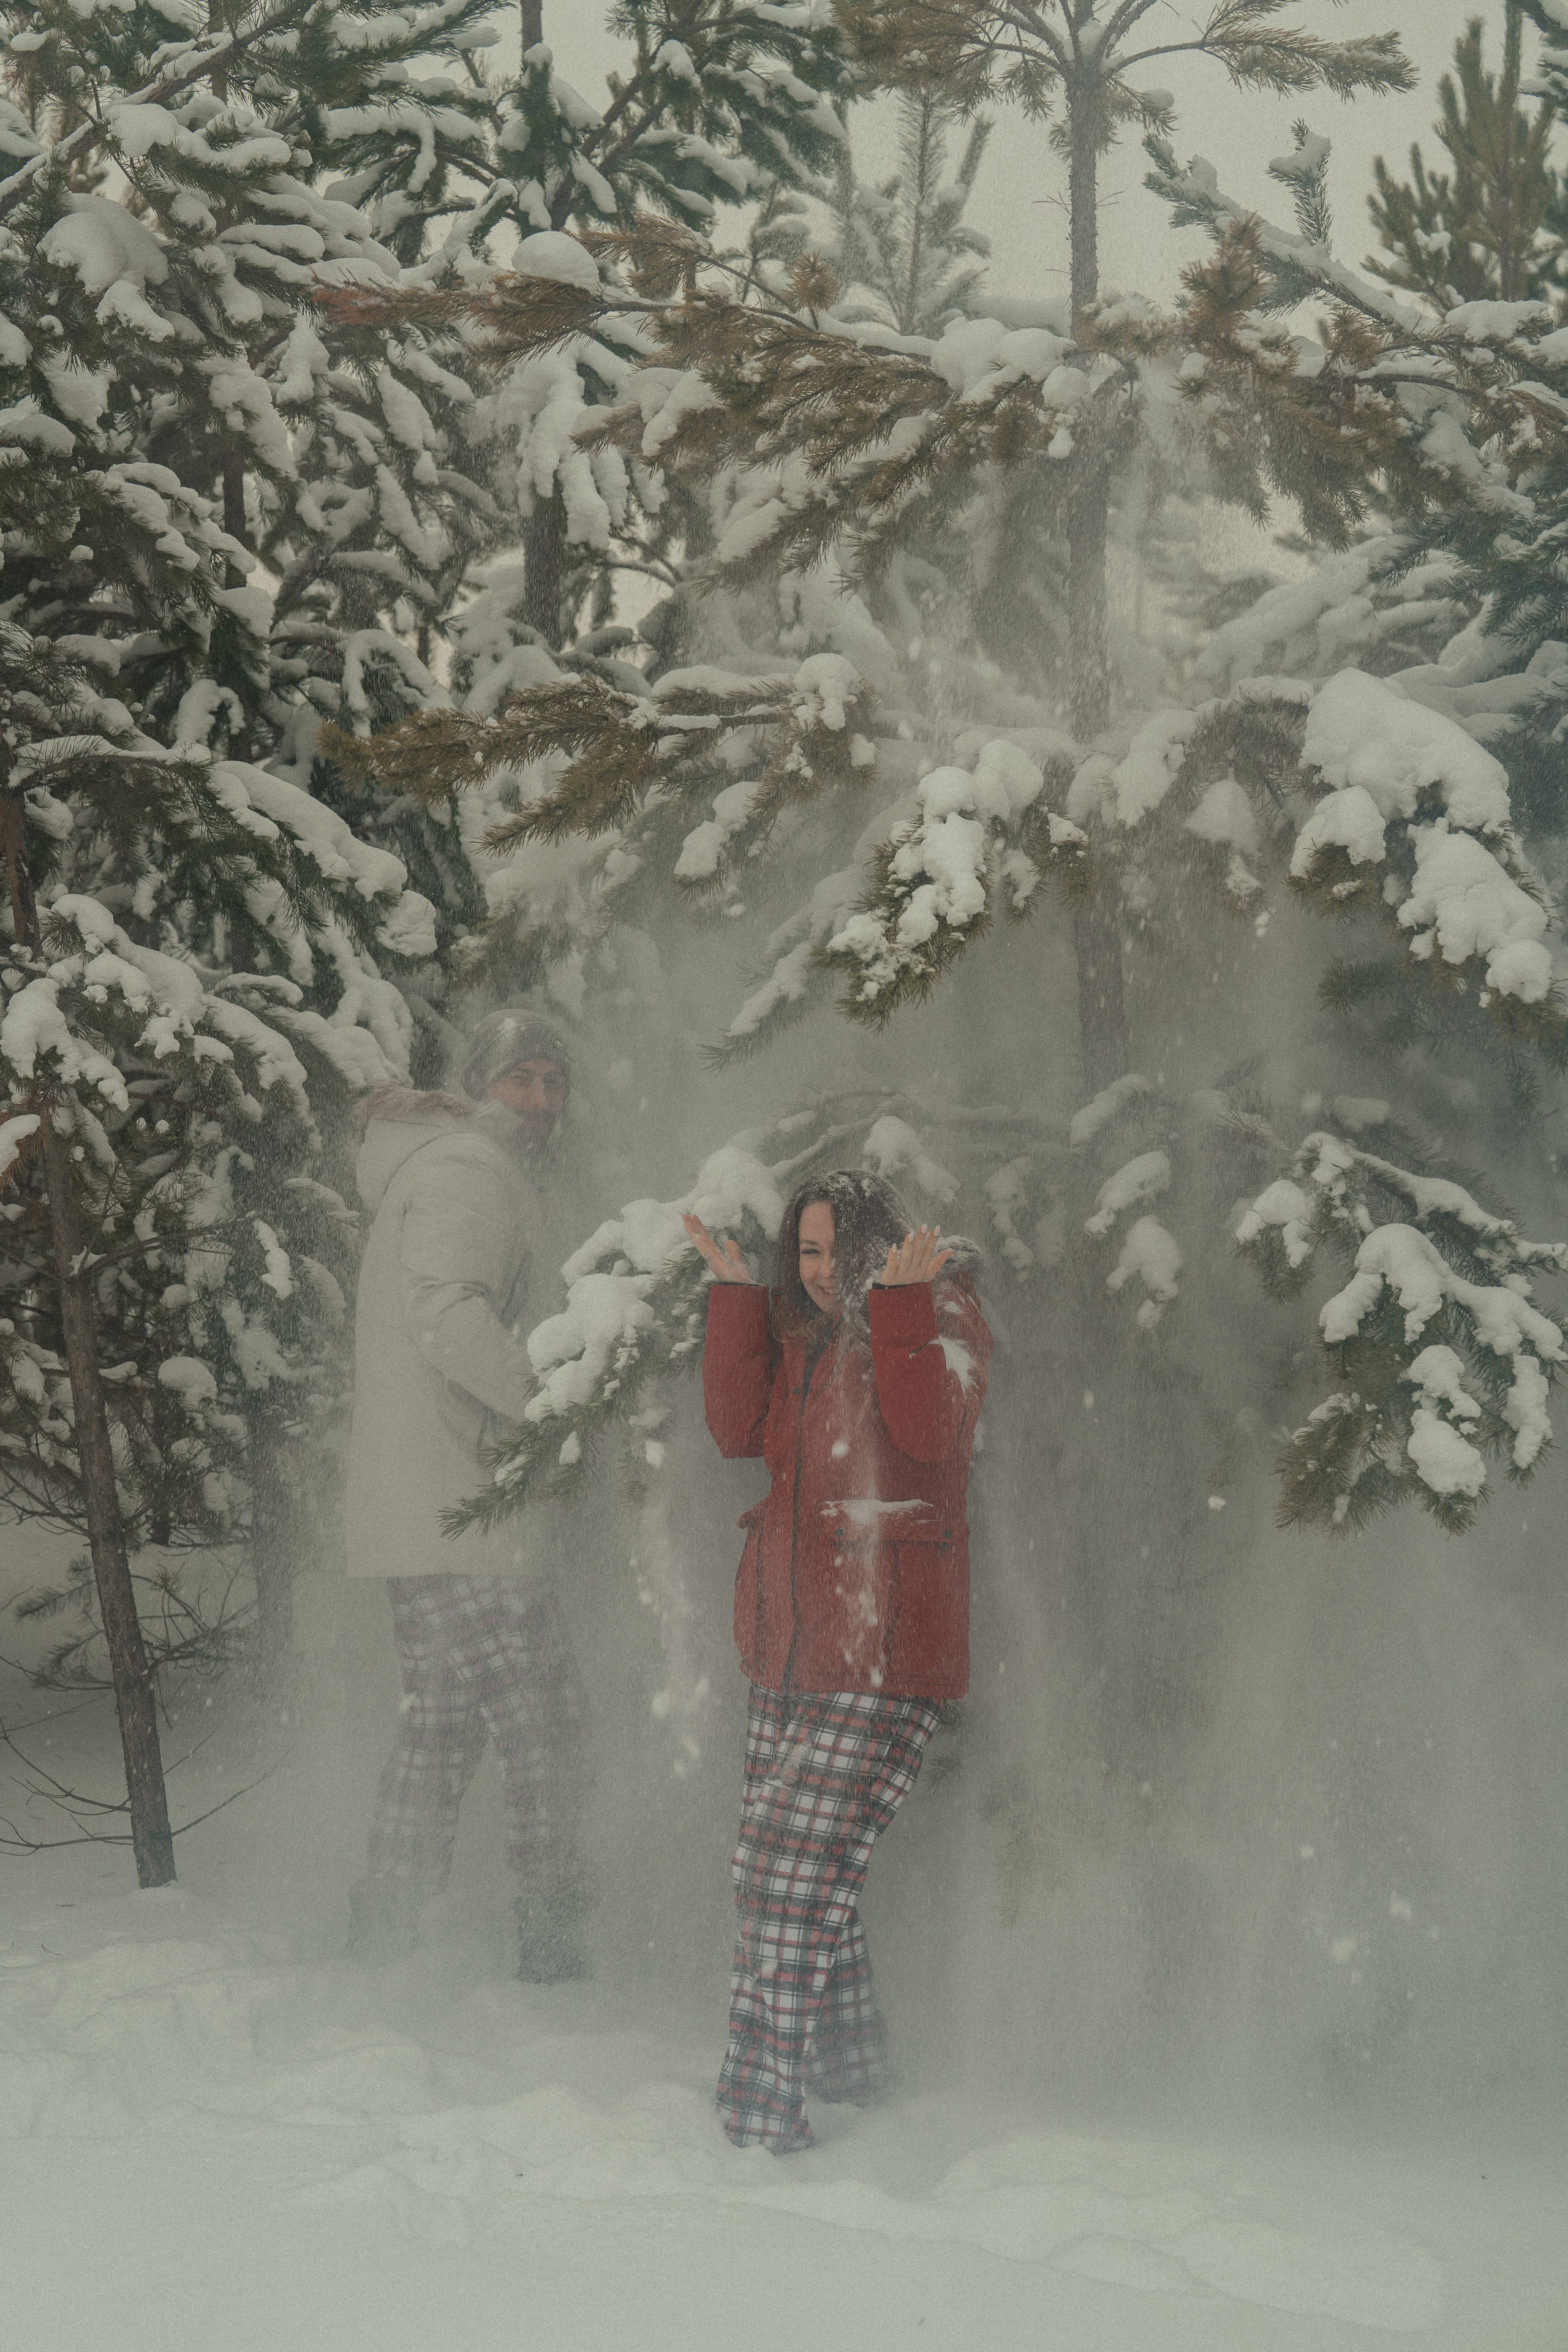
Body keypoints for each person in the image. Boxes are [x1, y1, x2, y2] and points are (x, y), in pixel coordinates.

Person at [682, 1170, 991, 2153]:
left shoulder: (943, 1315)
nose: (821, 1274)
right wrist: (739, 1305)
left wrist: (898, 1306)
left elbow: (932, 1432)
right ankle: (857, 2082)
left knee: (784, 1876)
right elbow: (737, 1435)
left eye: (836, 1251)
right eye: (804, 1254)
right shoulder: (804, 1338)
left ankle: (756, 2122)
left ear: (880, 1246)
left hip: (883, 1652)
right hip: (786, 1646)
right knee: (806, 1878)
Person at [344, 1008, 590, 1980]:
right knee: (548, 1724)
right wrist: (551, 1412)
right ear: (480, 1085)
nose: (537, 1101)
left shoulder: (452, 1167)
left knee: (442, 1726)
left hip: (427, 1505)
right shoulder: (468, 1171)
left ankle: (386, 1935)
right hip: (463, 1502)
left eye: (552, 1083)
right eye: (519, 1079)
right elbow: (447, 1317)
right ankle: (554, 1940)